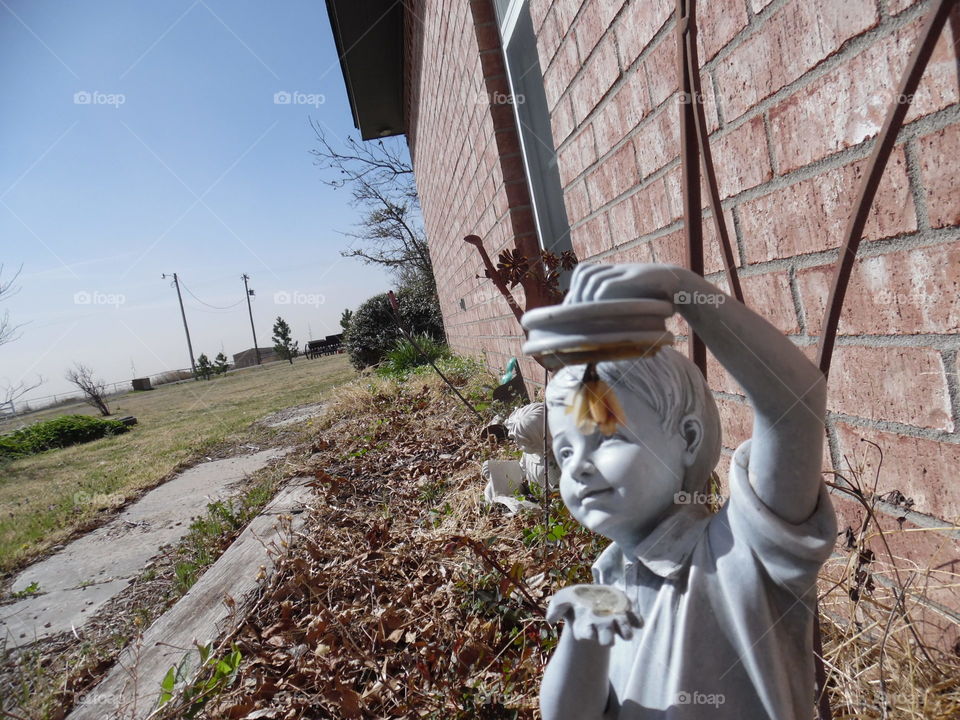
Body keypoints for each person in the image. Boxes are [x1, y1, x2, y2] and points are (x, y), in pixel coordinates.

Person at [537, 263, 837, 720]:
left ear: (688, 439)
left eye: (606, 437)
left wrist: (684, 292)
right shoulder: (609, 581)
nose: (577, 465)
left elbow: (794, 407)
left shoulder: (741, 551)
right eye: (564, 451)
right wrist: (583, 635)